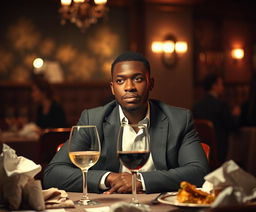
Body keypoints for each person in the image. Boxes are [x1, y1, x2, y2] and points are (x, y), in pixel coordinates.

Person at [43, 51, 209, 194]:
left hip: (159, 204)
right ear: (112, 88)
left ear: (151, 83)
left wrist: (141, 181)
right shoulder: (92, 119)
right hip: (108, 205)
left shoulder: (179, 119)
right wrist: (109, 178)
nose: (129, 87)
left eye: (137, 79)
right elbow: (53, 174)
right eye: (120, 81)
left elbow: (198, 172)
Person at [192, 73, 240, 164]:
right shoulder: (221, 105)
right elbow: (233, 127)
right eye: (221, 84)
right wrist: (236, 115)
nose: (223, 88)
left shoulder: (197, 106)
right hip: (219, 150)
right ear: (214, 86)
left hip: (200, 151)